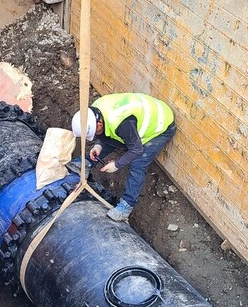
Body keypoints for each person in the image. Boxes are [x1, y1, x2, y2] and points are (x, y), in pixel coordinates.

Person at [70, 93, 176, 221]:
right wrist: (98, 146)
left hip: (161, 126)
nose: (95, 136)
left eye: (94, 133)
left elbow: (136, 150)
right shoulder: (95, 111)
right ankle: (85, 164)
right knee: (108, 139)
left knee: (138, 162)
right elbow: (107, 134)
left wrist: (116, 165)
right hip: (137, 120)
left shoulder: (121, 123)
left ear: (98, 124)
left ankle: (126, 206)